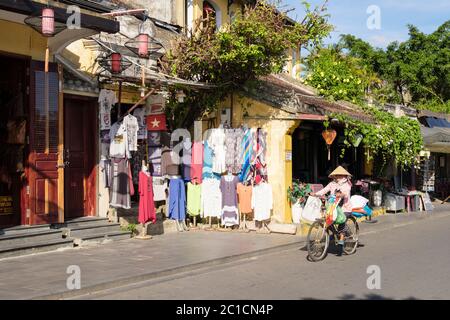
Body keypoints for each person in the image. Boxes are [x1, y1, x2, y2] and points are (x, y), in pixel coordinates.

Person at [310, 166, 353, 255]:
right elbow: (324, 190)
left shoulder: (346, 184)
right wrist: (315, 194)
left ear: (344, 176)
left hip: (344, 208)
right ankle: (335, 234)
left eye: (340, 175)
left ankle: (341, 239)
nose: (338, 176)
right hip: (332, 207)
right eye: (336, 175)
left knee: (341, 222)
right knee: (327, 221)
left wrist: (341, 195)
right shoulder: (332, 184)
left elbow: (346, 193)